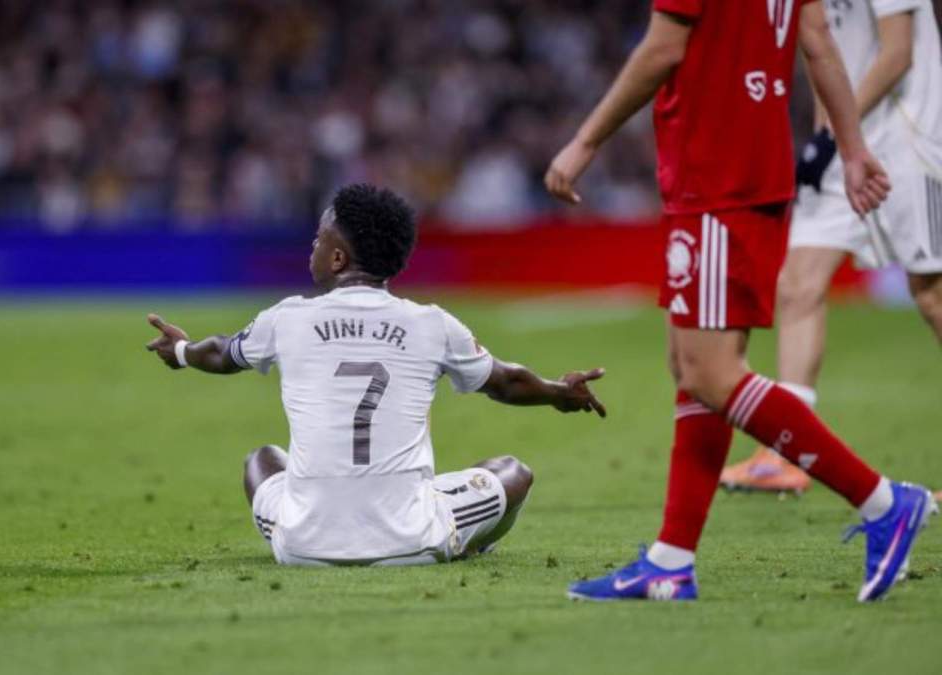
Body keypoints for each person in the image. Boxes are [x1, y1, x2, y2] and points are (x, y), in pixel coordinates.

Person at [545, 0, 934, 602]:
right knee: (692, 367)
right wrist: (851, 148)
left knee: (712, 371)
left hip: (717, 174)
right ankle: (671, 560)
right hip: (750, 169)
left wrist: (584, 140)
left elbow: (662, 48)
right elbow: (818, 42)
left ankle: (884, 502)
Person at [145, 184, 607, 566]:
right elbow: (506, 381)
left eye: (320, 238)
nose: (313, 245)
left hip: (302, 548)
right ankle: (468, 542)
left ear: (339, 259)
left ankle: (307, 528)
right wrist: (557, 393)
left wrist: (181, 350)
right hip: (412, 542)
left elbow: (223, 353)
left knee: (261, 461)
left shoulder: (285, 319)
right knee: (512, 472)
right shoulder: (432, 324)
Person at [720, 0, 942, 498]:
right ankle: (785, 451)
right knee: (797, 284)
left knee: (931, 294)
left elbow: (898, 51)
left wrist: (834, 130)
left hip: (912, 144)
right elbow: (821, 49)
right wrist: (832, 135)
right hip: (848, 144)